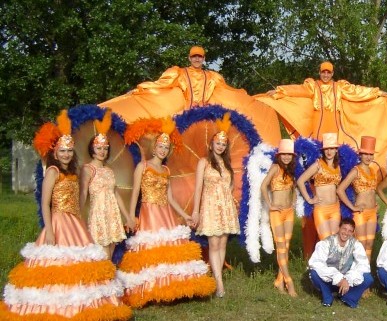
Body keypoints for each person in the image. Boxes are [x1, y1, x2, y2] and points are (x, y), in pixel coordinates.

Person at [1, 111, 132, 320]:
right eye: (62, 151)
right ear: (56, 151)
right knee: (58, 264)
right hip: (59, 223)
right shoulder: (52, 171)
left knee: (80, 263)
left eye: (69, 151)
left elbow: (78, 197)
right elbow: (45, 203)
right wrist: (50, 231)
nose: (66, 154)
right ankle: (58, 307)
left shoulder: (71, 172)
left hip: (74, 222)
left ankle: (82, 305)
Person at [117, 118, 215, 308]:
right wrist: (130, 216)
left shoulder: (166, 169)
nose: (163, 149)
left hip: (165, 213)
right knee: (153, 249)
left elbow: (169, 197)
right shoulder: (142, 167)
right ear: (154, 148)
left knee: (170, 250)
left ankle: (171, 288)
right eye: (160, 146)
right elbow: (135, 193)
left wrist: (185, 215)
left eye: (166, 147)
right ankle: (151, 289)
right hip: (149, 212)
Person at [101, 46, 281, 144]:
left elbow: (230, 92)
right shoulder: (178, 73)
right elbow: (160, 84)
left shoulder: (212, 76)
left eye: (200, 57)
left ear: (203, 59)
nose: (197, 59)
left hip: (205, 120)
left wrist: (251, 100)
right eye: (194, 56)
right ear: (189, 58)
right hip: (184, 117)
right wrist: (141, 89)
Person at [262, 61, 387, 140]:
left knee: (333, 148)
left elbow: (356, 91)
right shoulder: (313, 86)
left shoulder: (339, 86)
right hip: (318, 124)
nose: (326, 75)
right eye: (323, 72)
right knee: (318, 148)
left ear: (332, 73)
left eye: (328, 72)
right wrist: (280, 91)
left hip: (335, 124)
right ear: (319, 72)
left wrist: (377, 92)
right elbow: (298, 89)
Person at [191, 112, 241, 298]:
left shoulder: (227, 164)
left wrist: (231, 206)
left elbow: (230, 187)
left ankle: (216, 277)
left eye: (223, 144)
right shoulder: (203, 162)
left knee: (222, 243)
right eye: (217, 143)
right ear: (211, 145)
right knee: (213, 244)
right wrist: (195, 211)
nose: (220, 146)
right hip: (211, 206)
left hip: (225, 206)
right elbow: (198, 189)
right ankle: (219, 283)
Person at [80, 110, 136, 258]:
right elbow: (84, 192)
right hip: (98, 213)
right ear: (92, 149)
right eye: (99, 148)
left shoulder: (109, 171)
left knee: (111, 250)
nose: (102, 151)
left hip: (113, 213)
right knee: (101, 252)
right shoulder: (88, 169)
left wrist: (127, 217)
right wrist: (78, 214)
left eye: (105, 149)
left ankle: (109, 278)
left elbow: (115, 193)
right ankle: (103, 280)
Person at [261, 139, 299, 296]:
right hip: (276, 213)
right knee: (281, 246)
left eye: (289, 154)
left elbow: (294, 188)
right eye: (283, 154)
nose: (286, 157)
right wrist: (270, 205)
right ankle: (289, 282)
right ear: (279, 155)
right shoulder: (275, 168)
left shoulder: (291, 171)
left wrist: (294, 201)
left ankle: (279, 280)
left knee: (286, 246)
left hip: (288, 212)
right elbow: (263, 186)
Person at [308, 218, 374, 308]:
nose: (346, 233)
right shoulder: (326, 243)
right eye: (344, 229)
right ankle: (327, 296)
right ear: (339, 228)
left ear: (353, 233)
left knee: (368, 278)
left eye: (350, 231)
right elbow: (316, 263)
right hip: (329, 279)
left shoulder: (356, 245)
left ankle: (348, 297)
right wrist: (338, 278)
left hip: (347, 282)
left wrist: (347, 279)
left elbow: (364, 265)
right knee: (314, 273)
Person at [337, 136, 382, 259]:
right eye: (365, 154)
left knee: (370, 243)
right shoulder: (355, 171)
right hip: (360, 213)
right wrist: (352, 206)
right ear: (360, 155)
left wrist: (375, 204)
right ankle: (357, 271)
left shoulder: (373, 171)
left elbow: (372, 191)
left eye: (370, 154)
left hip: (372, 212)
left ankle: (365, 271)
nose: (368, 157)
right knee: (360, 244)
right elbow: (340, 190)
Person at [297, 132, 343, 244]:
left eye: (332, 148)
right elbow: (300, 181)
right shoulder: (318, 165)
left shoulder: (338, 167)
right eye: (327, 149)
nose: (329, 151)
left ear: (336, 150)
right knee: (326, 241)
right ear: (323, 150)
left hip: (335, 209)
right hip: (321, 209)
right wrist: (309, 199)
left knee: (336, 242)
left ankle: (335, 262)